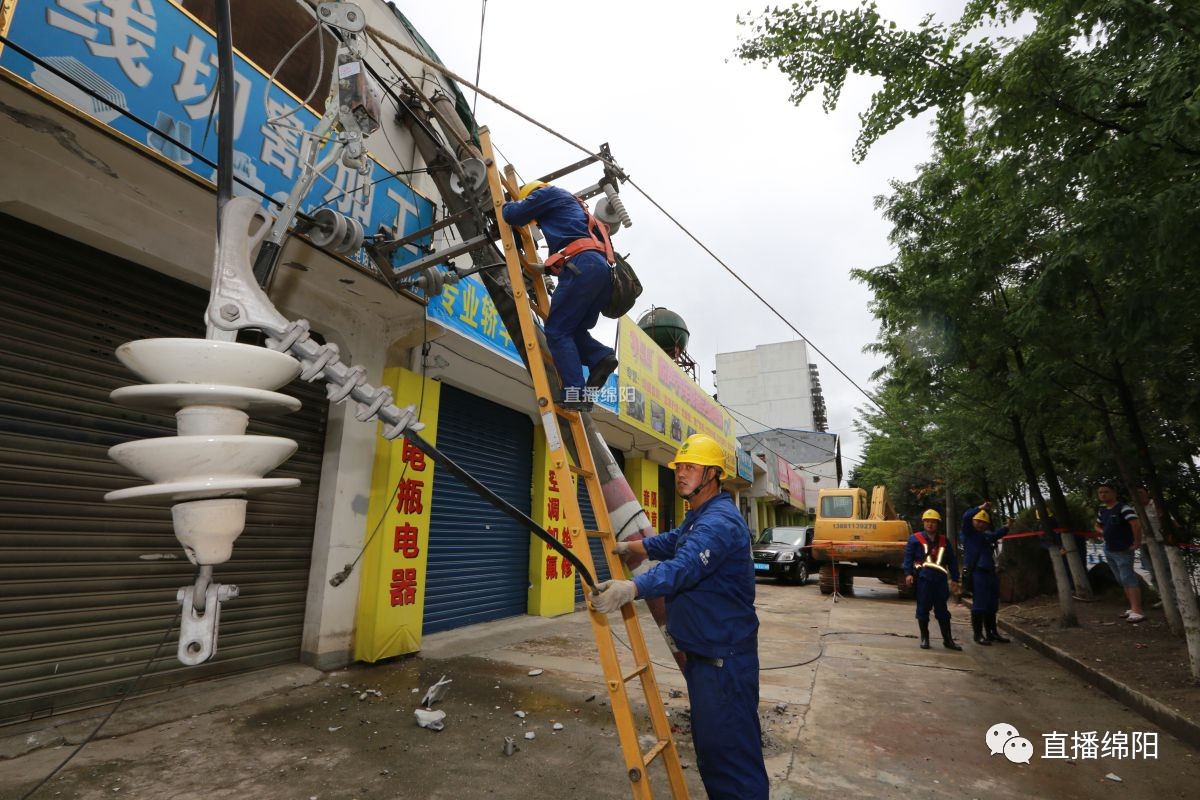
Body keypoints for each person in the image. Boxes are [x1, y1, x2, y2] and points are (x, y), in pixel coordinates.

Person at [591, 433, 768, 799]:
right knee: (714, 754)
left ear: (713, 475)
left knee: (731, 758)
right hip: (707, 661)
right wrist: (633, 545)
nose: (681, 474)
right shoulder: (700, 516)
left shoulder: (718, 523)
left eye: (691, 467)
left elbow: (684, 565)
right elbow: (671, 541)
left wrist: (632, 589)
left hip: (724, 664)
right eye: (679, 467)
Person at [502, 181, 617, 411]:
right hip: (601, 273)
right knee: (571, 330)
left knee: (556, 330)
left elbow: (513, 215)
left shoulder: (546, 193)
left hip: (582, 266)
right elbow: (580, 244)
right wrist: (543, 269)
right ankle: (601, 356)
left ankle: (575, 393)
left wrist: (502, 204)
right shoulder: (577, 209)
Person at [903, 509, 962, 651]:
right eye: (927, 521)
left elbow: (952, 561)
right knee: (923, 608)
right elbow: (908, 558)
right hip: (923, 579)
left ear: (938, 524)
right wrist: (908, 574)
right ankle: (925, 638)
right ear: (923, 522)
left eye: (933, 522)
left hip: (940, 580)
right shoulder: (915, 539)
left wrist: (955, 579)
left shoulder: (944, 541)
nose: (930, 524)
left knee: (942, 610)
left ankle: (948, 640)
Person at [960, 503, 1011, 645]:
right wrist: (980, 507)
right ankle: (978, 635)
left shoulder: (986, 536)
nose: (981, 524)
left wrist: (1007, 526)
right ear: (973, 522)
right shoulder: (968, 533)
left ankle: (992, 632)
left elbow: (996, 535)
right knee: (980, 604)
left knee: (992, 604)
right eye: (978, 521)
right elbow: (965, 517)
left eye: (984, 522)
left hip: (990, 574)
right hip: (978, 573)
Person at [1095, 482, 1145, 623]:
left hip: (1123, 549)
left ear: (1114, 493)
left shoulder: (1123, 508)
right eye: (1100, 492)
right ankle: (1131, 607)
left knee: (1128, 577)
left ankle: (1137, 610)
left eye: (1106, 491)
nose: (1103, 494)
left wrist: (1137, 541)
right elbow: (1097, 525)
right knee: (1121, 579)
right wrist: (1103, 532)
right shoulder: (1103, 511)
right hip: (1109, 549)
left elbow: (1135, 524)